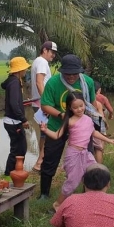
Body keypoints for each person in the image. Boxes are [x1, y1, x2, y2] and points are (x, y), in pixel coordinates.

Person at [40, 92, 114, 211]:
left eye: (81, 106)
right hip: (73, 155)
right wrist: (45, 130)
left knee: (95, 173)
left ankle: (89, 200)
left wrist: (108, 140)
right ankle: (57, 205)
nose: (79, 109)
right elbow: (57, 135)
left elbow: (93, 132)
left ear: (85, 104)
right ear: (70, 108)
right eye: (75, 107)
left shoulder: (88, 119)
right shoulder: (70, 121)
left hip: (86, 154)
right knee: (72, 181)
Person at [39, 54, 99, 200]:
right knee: (50, 159)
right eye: (67, 74)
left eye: (74, 73)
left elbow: (92, 103)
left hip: (82, 128)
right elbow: (45, 105)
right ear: (61, 71)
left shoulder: (88, 82)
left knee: (87, 158)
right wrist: (62, 116)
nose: (71, 77)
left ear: (80, 71)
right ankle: (44, 193)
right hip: (57, 125)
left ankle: (88, 192)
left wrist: (97, 120)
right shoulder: (53, 83)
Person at [1, 57, 31, 180]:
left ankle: (15, 172)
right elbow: (13, 103)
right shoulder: (14, 83)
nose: (25, 71)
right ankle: (10, 174)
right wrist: (23, 119)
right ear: (19, 70)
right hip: (14, 122)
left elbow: (15, 101)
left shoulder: (12, 81)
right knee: (18, 149)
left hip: (12, 121)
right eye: (24, 68)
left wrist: (22, 102)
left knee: (20, 148)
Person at [31, 41, 57, 172]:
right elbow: (39, 82)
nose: (53, 56)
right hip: (42, 104)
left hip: (38, 103)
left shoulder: (37, 61)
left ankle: (40, 161)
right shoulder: (42, 62)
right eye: (52, 52)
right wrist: (45, 103)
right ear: (45, 50)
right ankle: (39, 163)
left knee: (43, 134)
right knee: (47, 133)